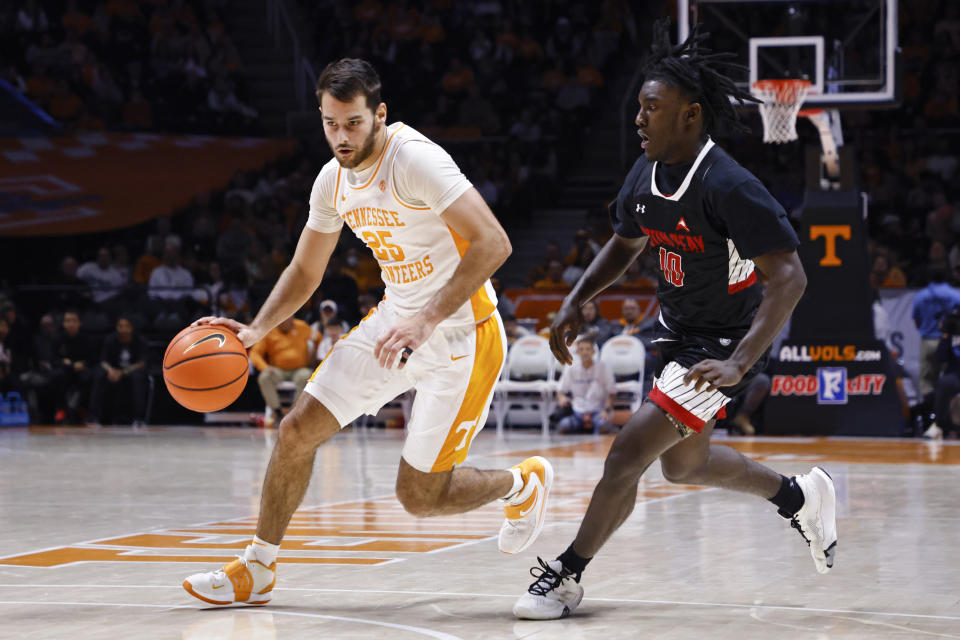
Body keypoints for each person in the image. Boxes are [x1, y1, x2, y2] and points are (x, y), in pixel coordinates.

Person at [183, 58, 553, 607]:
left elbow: (494, 243)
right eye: (330, 123)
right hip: (393, 323)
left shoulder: (417, 161)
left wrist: (427, 318)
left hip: (462, 335)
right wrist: (255, 329)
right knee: (295, 430)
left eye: (353, 122)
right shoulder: (332, 181)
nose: (341, 136)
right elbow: (306, 270)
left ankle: (521, 484)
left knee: (420, 498)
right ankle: (257, 568)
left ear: (379, 114)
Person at [513, 22, 836, 620]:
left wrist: (740, 362)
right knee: (683, 465)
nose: (639, 119)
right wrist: (575, 300)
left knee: (627, 452)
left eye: (652, 108)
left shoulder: (731, 186)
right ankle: (799, 496)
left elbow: (790, 279)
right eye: (639, 106)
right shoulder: (647, 169)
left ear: (690, 115)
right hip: (676, 332)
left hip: (722, 344)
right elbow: (623, 243)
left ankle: (566, 575)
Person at [250, 315, 315, 429]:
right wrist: (264, 367)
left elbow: (318, 338)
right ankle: (277, 412)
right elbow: (254, 353)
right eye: (283, 319)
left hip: (300, 369)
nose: (285, 321)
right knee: (264, 377)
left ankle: (295, 413)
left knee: (306, 376)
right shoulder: (270, 331)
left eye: (288, 318)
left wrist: (315, 359)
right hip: (277, 370)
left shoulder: (302, 326)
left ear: (293, 318)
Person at [88, 315, 147, 426]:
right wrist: (111, 370)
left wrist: (123, 372)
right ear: (116, 327)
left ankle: (138, 418)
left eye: (127, 326)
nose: (124, 329)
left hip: (131, 371)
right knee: (99, 375)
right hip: (113, 371)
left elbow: (142, 363)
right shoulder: (110, 339)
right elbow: (103, 361)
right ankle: (94, 417)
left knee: (138, 378)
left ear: (132, 327)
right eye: (121, 326)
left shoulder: (139, 340)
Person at [912, 266, 960, 400]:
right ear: (946, 277)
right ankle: (952, 414)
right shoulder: (956, 295)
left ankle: (930, 413)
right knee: (952, 378)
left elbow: (917, 321)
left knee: (927, 382)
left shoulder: (920, 296)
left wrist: (928, 328)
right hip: (950, 344)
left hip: (928, 341)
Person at [555, 335, 616, 434]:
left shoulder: (603, 367)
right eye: (581, 349)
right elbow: (560, 391)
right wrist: (562, 398)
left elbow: (612, 394)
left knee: (603, 426)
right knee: (563, 426)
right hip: (577, 411)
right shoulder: (571, 368)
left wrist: (606, 410)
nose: (584, 352)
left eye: (588, 349)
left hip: (598, 411)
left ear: (593, 352)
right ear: (577, 352)